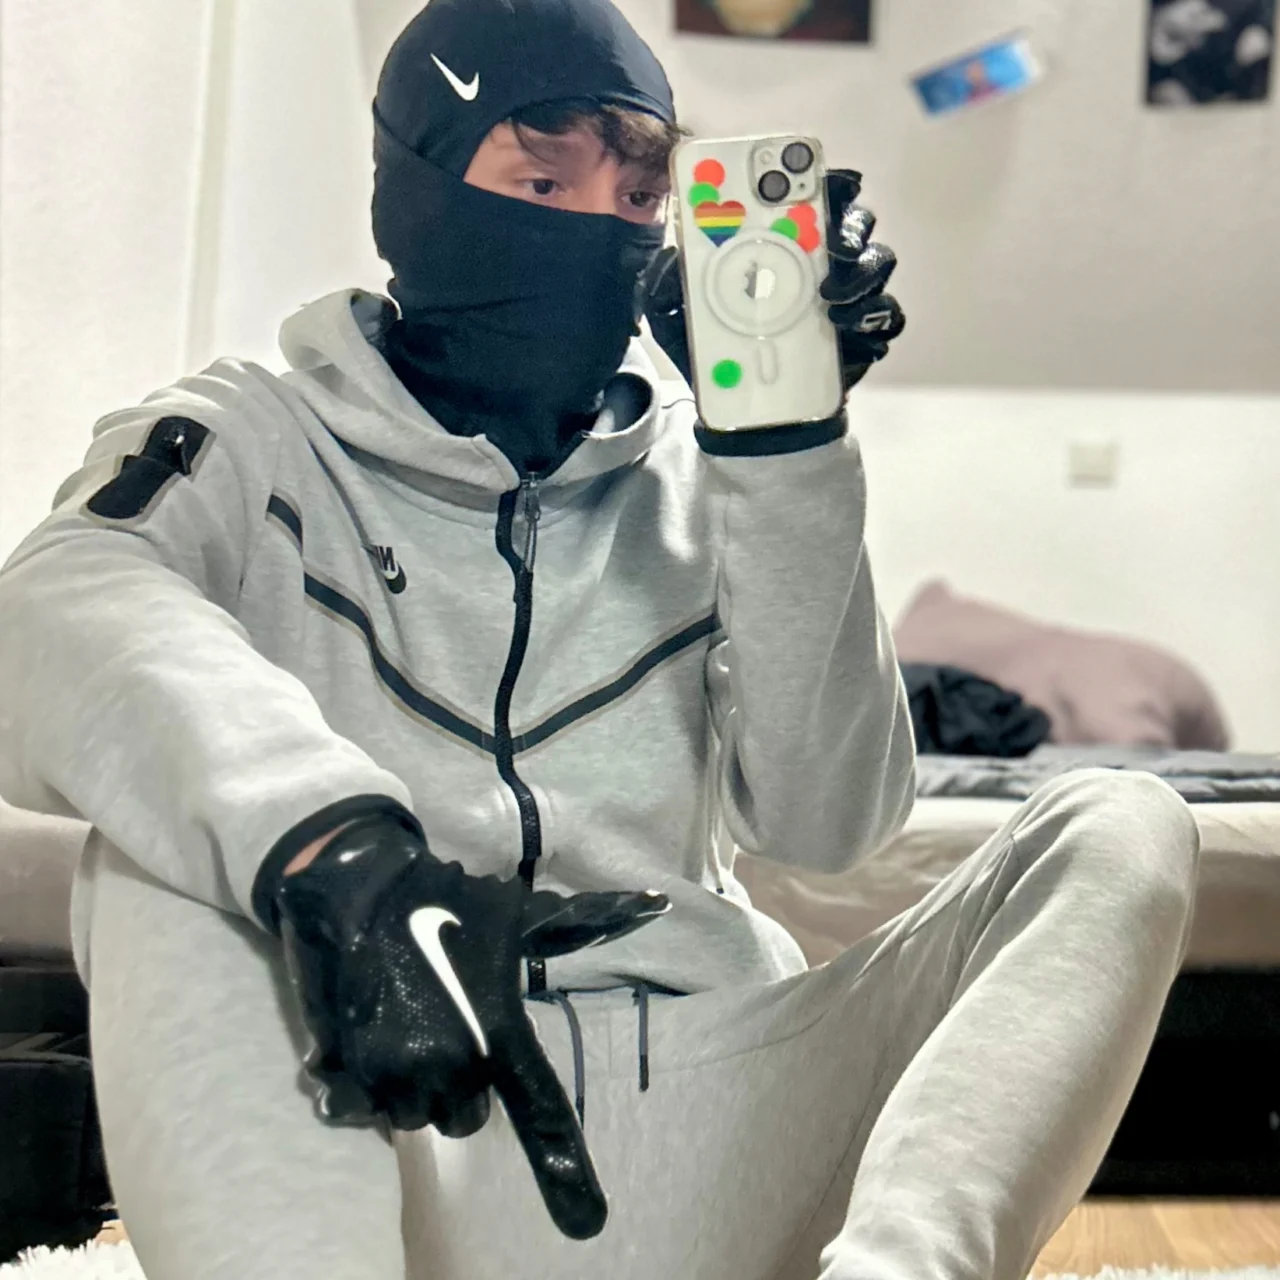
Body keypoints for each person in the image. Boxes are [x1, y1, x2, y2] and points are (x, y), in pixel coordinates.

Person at [0, 1, 1200, 1277]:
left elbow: (829, 823)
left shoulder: (706, 475)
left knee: (1123, 823)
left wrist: (788, 456)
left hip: (720, 1123)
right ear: (415, 187)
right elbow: (53, 605)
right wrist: (329, 847)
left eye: (636, 198)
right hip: (400, 1114)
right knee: (152, 856)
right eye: (541, 181)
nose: (599, 228)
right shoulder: (250, 438)